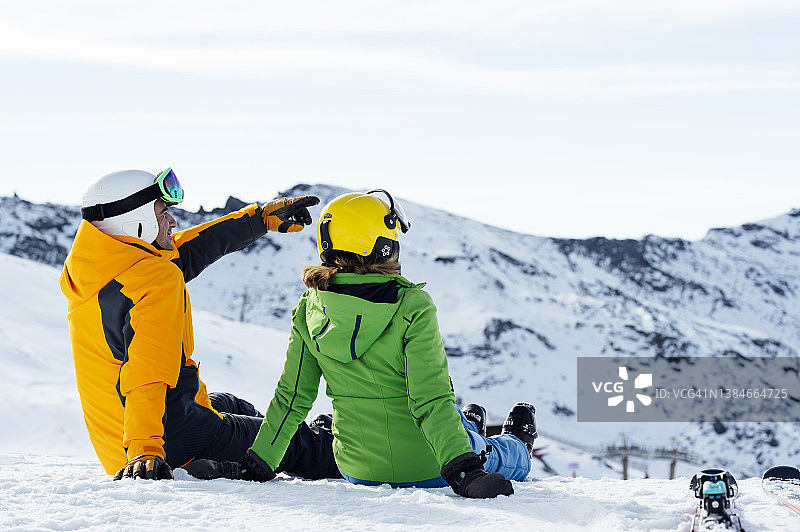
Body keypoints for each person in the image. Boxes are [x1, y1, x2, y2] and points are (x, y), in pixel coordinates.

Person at [242, 190, 537, 498]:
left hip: (357, 468)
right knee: (497, 452)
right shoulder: (412, 306)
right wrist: (466, 472)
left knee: (455, 421)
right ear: (384, 245)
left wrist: (259, 464)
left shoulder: (310, 308)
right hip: (430, 467)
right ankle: (516, 443)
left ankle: (467, 425)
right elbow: (430, 397)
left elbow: (292, 398)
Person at [60, 168, 340, 481]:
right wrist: (145, 449)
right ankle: (338, 448)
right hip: (165, 445)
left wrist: (260, 219)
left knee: (231, 404)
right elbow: (146, 374)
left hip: (119, 444)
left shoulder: (98, 267)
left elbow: (188, 248)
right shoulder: (154, 282)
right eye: (162, 213)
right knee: (294, 442)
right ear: (136, 222)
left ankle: (251, 447)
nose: (172, 222)